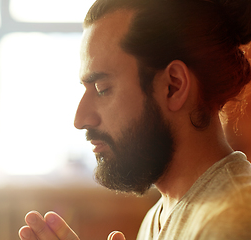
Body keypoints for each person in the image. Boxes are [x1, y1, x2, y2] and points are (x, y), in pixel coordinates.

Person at [19, 0, 251, 239]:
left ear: (174, 86)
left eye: (101, 88)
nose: (80, 119)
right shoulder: (157, 217)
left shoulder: (234, 220)